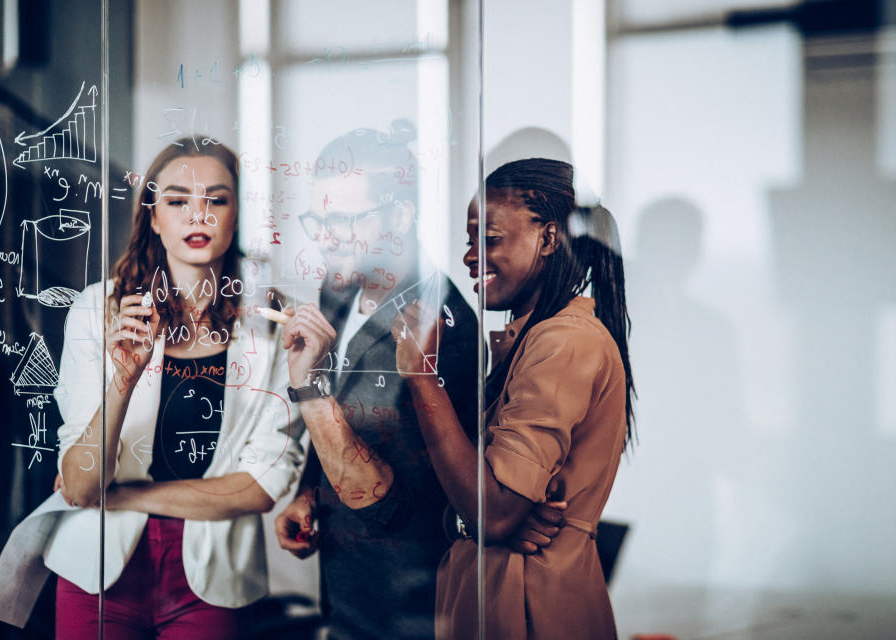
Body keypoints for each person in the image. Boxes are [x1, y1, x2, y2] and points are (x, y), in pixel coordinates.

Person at [50, 138, 303, 639]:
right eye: (177, 200)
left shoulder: (272, 327)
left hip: (214, 573)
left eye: (217, 199)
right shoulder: (96, 311)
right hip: (95, 567)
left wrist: (122, 496)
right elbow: (81, 485)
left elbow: (259, 488)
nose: (199, 216)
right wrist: (124, 377)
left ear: (236, 215)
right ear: (154, 218)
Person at [391, 158, 635, 639]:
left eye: (489, 238)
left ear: (547, 238)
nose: (469, 257)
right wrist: (469, 521)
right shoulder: (530, 339)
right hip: (501, 594)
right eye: (468, 241)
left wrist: (422, 375)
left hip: (529, 606)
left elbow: (497, 512)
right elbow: (486, 506)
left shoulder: (562, 341)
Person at [272, 122, 481, 640]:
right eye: (317, 218)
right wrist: (309, 492)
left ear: (400, 216)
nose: (324, 236)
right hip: (343, 596)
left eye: (343, 218)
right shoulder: (340, 288)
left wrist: (308, 390)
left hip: (412, 612)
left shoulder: (441, 325)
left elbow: (391, 505)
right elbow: (348, 417)